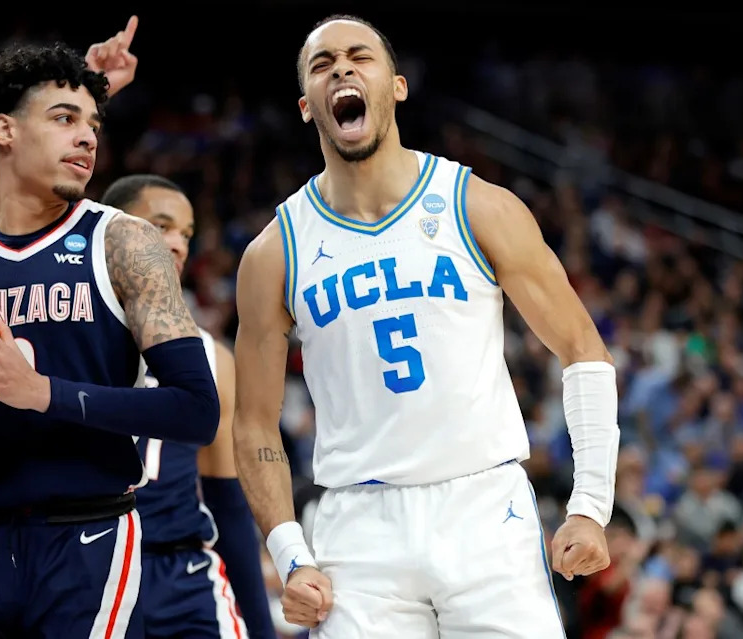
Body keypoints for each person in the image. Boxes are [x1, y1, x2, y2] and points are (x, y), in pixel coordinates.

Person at [232, 14, 620, 638]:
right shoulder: (275, 251)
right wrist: (290, 553)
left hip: (483, 508)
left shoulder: (478, 205)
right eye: (323, 64)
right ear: (307, 106)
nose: (343, 70)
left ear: (398, 86)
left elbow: (582, 349)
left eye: (360, 56)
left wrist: (591, 507)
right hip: (357, 529)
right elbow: (253, 420)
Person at [0, 34, 219, 638]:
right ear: (5, 131)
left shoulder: (126, 245)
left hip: (88, 537)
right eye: (65, 119)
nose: (89, 136)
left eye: (94, 122)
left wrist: (42, 391)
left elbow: (197, 411)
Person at [101, 174, 275, 638]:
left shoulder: (211, 355)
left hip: (181, 572)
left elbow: (227, 502)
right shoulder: (70, 337)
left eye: (186, 233)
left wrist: (260, 627)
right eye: (160, 227)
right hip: (90, 563)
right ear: (110, 232)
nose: (176, 245)